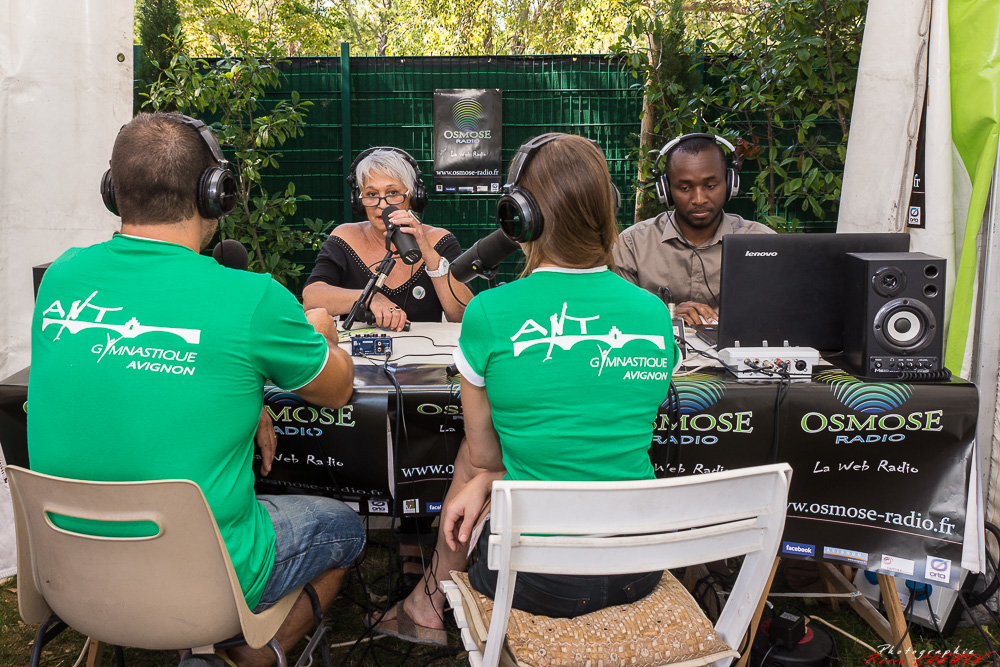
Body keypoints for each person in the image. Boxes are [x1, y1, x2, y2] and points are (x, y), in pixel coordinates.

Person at [28, 112, 364, 667]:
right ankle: (249, 656)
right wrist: (323, 333)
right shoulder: (252, 298)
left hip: (69, 575)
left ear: (113, 191)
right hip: (205, 581)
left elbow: (124, 387)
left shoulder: (62, 277)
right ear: (216, 192)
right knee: (345, 528)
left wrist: (245, 402)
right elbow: (335, 389)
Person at [371, 133, 679, 645]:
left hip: (534, 578)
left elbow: (486, 457)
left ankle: (428, 600)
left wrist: (489, 477)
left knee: (475, 459)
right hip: (637, 567)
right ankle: (427, 601)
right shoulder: (653, 313)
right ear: (606, 209)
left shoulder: (490, 313)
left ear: (519, 215)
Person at [302, 147, 473, 331]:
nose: (382, 204)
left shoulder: (440, 240)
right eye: (372, 194)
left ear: (413, 197)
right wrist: (369, 298)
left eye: (392, 193)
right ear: (359, 200)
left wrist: (428, 253)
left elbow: (463, 315)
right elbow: (311, 298)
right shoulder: (344, 237)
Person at [614, 133, 774, 327]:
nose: (699, 199)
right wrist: (666, 316)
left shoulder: (763, 243)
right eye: (684, 188)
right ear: (666, 190)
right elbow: (618, 316)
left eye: (711, 186)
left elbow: (778, 314)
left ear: (730, 184)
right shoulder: (632, 246)